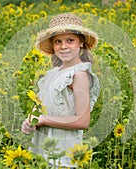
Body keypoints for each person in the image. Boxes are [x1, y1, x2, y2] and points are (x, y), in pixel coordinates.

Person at [21, 13, 100, 168]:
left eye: (70, 40)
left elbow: (82, 121)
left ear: (81, 43)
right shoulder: (53, 73)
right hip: (43, 146)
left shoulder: (79, 74)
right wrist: (32, 120)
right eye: (58, 41)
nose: (63, 46)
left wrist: (44, 120)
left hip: (63, 151)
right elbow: (44, 106)